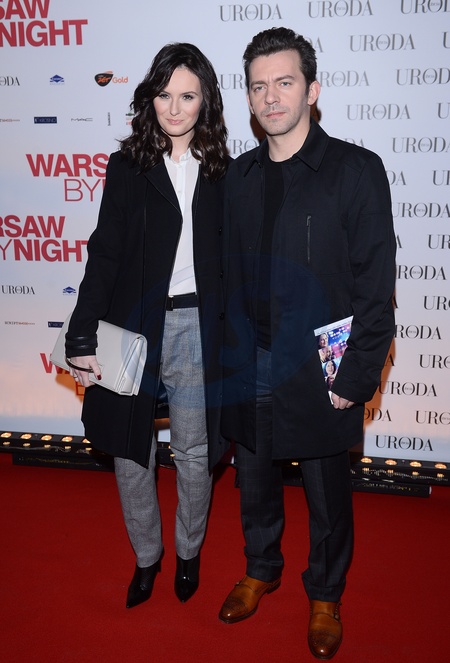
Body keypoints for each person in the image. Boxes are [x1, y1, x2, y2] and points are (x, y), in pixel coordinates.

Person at [219, 27, 396, 660]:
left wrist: (357, 374)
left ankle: (324, 593)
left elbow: (375, 286)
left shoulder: (356, 170)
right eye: (258, 86)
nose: (271, 97)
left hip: (324, 362)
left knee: (326, 489)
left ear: (312, 90)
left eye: (284, 82)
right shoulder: (236, 177)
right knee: (254, 479)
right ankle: (260, 567)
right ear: (248, 98)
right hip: (250, 360)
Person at [65, 42, 229, 609]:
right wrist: (82, 334)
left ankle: (188, 551)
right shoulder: (127, 166)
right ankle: (146, 557)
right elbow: (105, 252)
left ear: (206, 100)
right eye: (164, 95)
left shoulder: (224, 170)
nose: (175, 108)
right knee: (132, 452)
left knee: (194, 451)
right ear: (149, 98)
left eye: (188, 96)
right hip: (133, 330)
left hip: (198, 326)